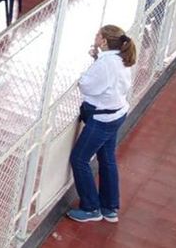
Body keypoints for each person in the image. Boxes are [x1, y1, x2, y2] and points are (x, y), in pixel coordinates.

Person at [67, 25, 136, 223]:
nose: (95, 36)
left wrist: (84, 76)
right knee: (107, 159)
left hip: (102, 119)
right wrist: (97, 59)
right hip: (116, 113)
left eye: (98, 34)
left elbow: (88, 86)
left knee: (79, 159)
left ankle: (91, 208)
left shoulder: (106, 64)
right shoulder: (118, 59)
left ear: (104, 41)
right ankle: (110, 207)